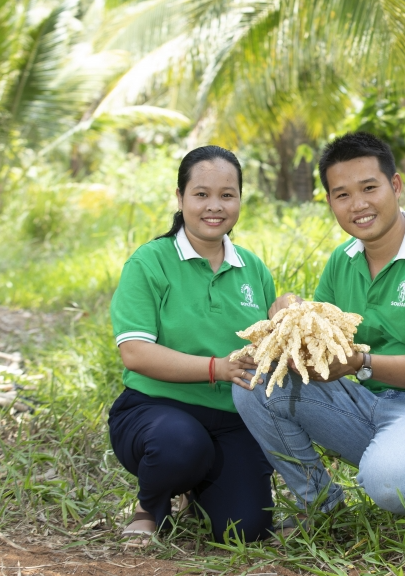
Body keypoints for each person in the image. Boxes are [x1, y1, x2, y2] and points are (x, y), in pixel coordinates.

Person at [233, 132, 405, 527]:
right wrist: (286, 313)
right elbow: (319, 339)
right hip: (369, 403)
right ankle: (319, 505)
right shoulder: (343, 259)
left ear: (395, 185)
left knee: (389, 484)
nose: (358, 205)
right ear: (330, 203)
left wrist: (361, 363)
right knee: (256, 382)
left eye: (369, 188)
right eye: (342, 195)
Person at [108, 145, 274, 543]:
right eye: (201, 194)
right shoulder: (150, 262)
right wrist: (216, 368)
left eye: (227, 194)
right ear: (180, 198)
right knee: (180, 445)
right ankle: (151, 504)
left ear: (239, 200)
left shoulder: (253, 269)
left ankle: (200, 494)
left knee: (245, 530)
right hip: (157, 411)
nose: (214, 206)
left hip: (233, 420)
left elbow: (268, 346)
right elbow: (135, 352)